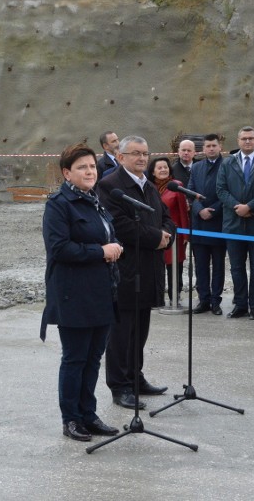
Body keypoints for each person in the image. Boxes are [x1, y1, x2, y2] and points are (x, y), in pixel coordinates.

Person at [41, 143, 123, 442]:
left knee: (93, 358)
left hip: (101, 291)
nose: (90, 171)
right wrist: (101, 251)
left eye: (92, 166)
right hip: (73, 294)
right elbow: (60, 248)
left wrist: (112, 249)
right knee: (75, 358)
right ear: (67, 173)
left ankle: (89, 414)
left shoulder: (95, 199)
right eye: (82, 168)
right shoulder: (58, 204)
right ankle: (71, 419)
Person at [97, 136, 173, 409]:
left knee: (140, 329)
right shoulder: (110, 186)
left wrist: (168, 235)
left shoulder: (148, 185)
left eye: (145, 153)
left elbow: (165, 216)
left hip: (149, 269)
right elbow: (120, 225)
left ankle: (136, 377)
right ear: (121, 157)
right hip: (126, 269)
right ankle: (119, 386)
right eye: (135, 154)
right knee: (121, 332)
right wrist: (157, 237)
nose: (142, 158)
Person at [216, 126, 254, 320]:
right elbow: (221, 189)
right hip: (233, 224)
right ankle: (240, 304)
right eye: (244, 139)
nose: (247, 141)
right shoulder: (228, 163)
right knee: (236, 267)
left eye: (251, 138)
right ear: (238, 141)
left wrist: (249, 207)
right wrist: (237, 207)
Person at [187, 134, 226, 315]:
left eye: (214, 145)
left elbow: (227, 192)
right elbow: (190, 192)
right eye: (208, 146)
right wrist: (198, 210)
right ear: (203, 149)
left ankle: (215, 301)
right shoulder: (196, 167)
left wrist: (213, 210)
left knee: (218, 266)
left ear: (220, 147)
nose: (211, 148)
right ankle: (203, 299)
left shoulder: (227, 165)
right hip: (199, 224)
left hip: (218, 224)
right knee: (201, 266)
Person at [148, 156, 189, 306]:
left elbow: (183, 211)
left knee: (174, 267)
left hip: (174, 234)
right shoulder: (148, 186)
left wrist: (185, 234)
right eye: (159, 168)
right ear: (153, 172)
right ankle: (157, 299)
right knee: (156, 268)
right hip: (154, 233)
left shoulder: (176, 186)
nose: (163, 170)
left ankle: (174, 297)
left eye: (165, 167)